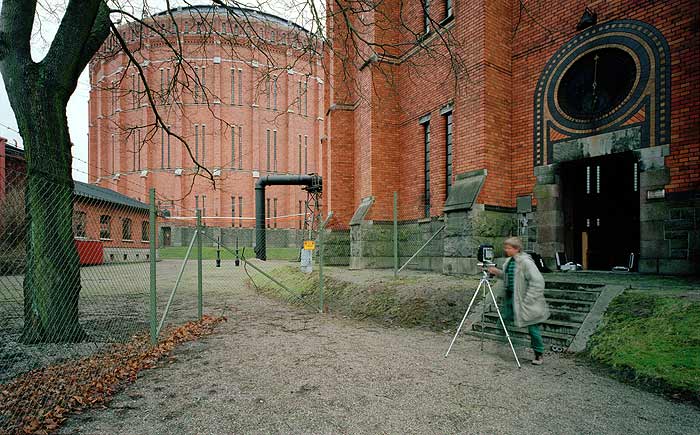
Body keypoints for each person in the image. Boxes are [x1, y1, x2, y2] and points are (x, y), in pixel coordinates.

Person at [488, 237, 549, 365]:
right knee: (504, 320)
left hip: (527, 300)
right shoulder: (509, 261)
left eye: (508, 248)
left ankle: (539, 354)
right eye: (506, 247)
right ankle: (507, 345)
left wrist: (530, 298)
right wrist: (497, 272)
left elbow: (538, 281)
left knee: (533, 328)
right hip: (511, 298)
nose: (506, 250)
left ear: (516, 249)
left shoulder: (526, 262)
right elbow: (508, 277)